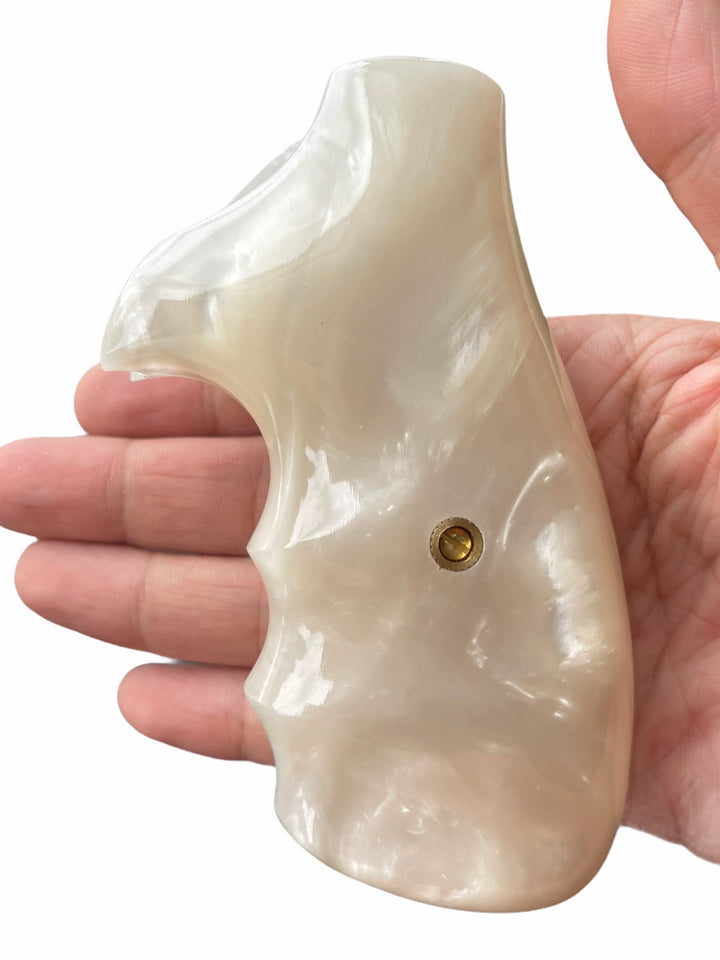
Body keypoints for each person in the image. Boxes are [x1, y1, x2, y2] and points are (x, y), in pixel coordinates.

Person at [0, 0, 718, 865]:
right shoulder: (390, 215)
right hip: (487, 775)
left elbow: (188, 300)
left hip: (504, 775)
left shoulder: (390, 209)